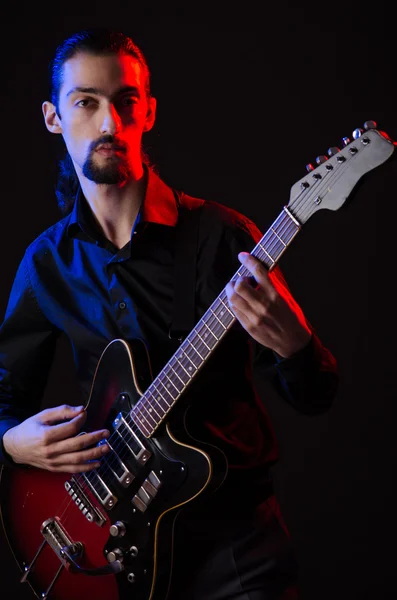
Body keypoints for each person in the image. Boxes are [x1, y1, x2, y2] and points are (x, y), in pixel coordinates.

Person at [0, 28, 338, 599]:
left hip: (236, 550)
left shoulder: (223, 238)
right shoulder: (46, 263)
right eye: (86, 102)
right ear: (54, 118)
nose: (108, 124)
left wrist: (296, 347)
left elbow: (316, 396)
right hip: (113, 548)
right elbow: (6, 393)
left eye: (124, 102)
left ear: (148, 111)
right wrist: (9, 439)